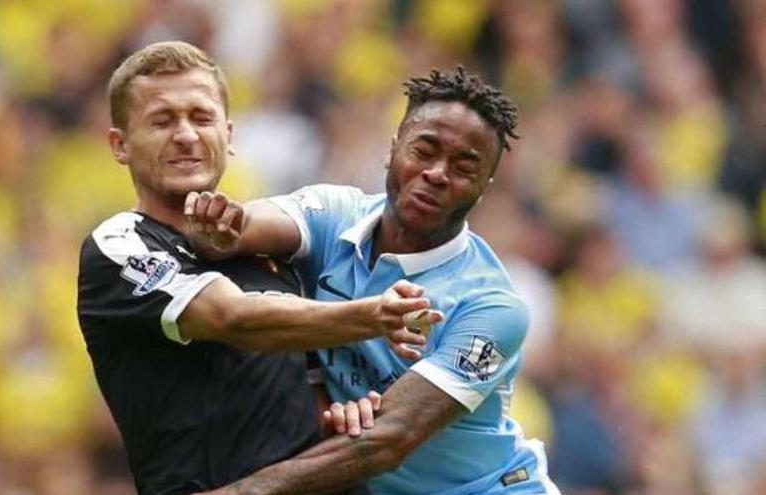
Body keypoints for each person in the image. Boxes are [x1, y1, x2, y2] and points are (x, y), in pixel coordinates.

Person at [75, 41, 441, 495]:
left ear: (229, 136)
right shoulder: (119, 245)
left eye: (201, 117)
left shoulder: (273, 252)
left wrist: (345, 411)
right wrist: (373, 316)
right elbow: (232, 318)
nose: (186, 134)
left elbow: (313, 387)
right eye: (162, 120)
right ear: (120, 145)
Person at [187, 67, 561, 494]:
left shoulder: (493, 308)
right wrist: (216, 229)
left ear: (483, 187)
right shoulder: (332, 214)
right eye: (425, 150)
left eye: (463, 166)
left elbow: (388, 440)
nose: (438, 173)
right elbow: (241, 228)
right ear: (393, 149)